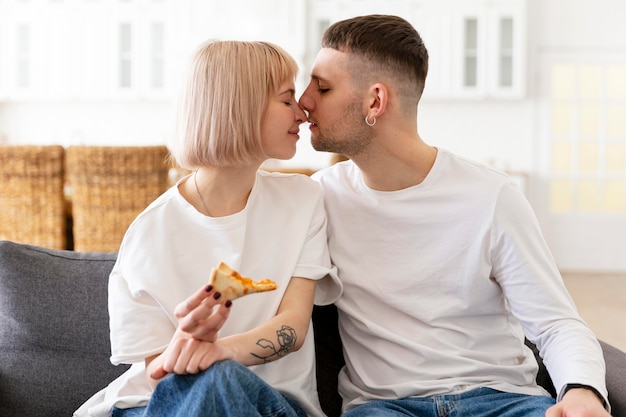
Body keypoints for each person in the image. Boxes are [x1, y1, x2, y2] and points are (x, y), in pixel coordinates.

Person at [298, 14, 611, 417]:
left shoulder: (491, 196)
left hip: (502, 401)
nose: (304, 100)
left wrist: (583, 390)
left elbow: (554, 323)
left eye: (322, 88)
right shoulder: (319, 199)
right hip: (386, 409)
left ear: (374, 101)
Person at [74, 39, 341, 417]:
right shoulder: (150, 232)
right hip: (160, 404)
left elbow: (293, 328)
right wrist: (185, 345)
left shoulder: (303, 200)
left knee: (222, 378)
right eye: (286, 100)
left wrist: (220, 353)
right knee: (212, 381)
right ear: (241, 109)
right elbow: (158, 373)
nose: (301, 113)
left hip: (271, 405)